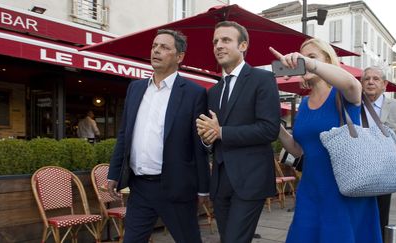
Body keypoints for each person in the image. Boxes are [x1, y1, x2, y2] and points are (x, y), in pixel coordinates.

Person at [271, 38, 382, 243]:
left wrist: (309, 62)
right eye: (303, 58)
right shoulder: (304, 104)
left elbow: (352, 83)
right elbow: (299, 150)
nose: (304, 62)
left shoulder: (343, 94)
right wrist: (276, 128)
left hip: (344, 189)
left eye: (312, 57)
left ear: (327, 62)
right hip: (311, 188)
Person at [107, 29, 210, 243]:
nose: (156, 51)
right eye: (155, 46)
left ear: (179, 57)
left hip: (176, 187)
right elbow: (124, 134)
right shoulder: (135, 89)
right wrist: (113, 173)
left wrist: (203, 188)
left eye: (164, 47)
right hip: (139, 187)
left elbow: (197, 145)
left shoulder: (194, 93)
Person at [196, 21, 280, 243]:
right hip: (220, 181)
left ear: (243, 45)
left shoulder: (263, 79)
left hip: (251, 179)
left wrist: (221, 132)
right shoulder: (213, 91)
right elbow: (211, 136)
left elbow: (269, 129)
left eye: (225, 40)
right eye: (215, 41)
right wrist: (207, 138)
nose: (218, 46)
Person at [361, 66, 396, 239]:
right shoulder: (353, 103)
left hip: (383, 174)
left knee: (380, 217)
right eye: (367, 79)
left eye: (376, 79)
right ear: (361, 83)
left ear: (384, 84)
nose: (370, 82)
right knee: (356, 216)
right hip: (357, 170)